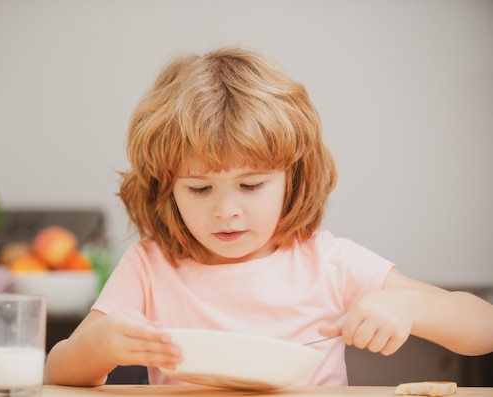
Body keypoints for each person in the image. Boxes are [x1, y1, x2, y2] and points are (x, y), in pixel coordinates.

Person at [44, 47, 493, 387]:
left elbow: (482, 329)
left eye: (252, 185)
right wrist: (99, 348)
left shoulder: (328, 263)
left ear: (291, 179)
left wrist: (409, 307)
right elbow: (58, 372)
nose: (226, 210)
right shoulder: (149, 267)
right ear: (167, 189)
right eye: (199, 189)